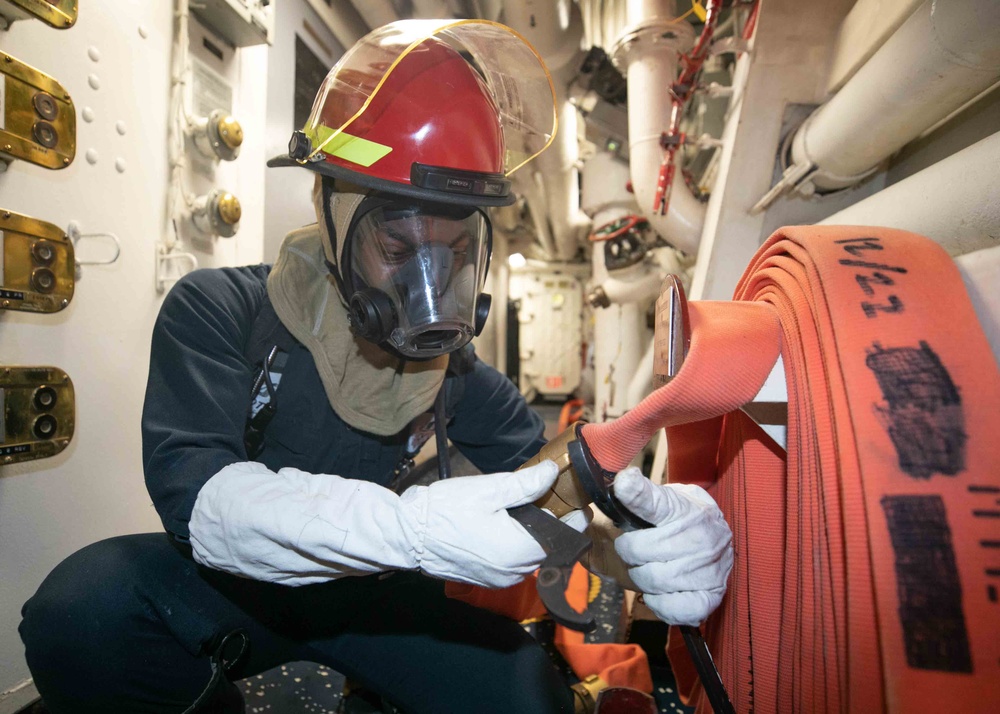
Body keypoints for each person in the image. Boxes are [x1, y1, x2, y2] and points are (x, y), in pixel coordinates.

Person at [19, 21, 733, 714]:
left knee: (527, 698)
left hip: (375, 595)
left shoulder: (449, 372)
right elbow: (197, 499)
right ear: (334, 215)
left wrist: (641, 528)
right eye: (399, 250)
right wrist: (410, 528)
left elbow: (550, 470)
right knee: (84, 615)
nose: (428, 286)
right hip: (236, 583)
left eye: (454, 255)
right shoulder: (219, 310)